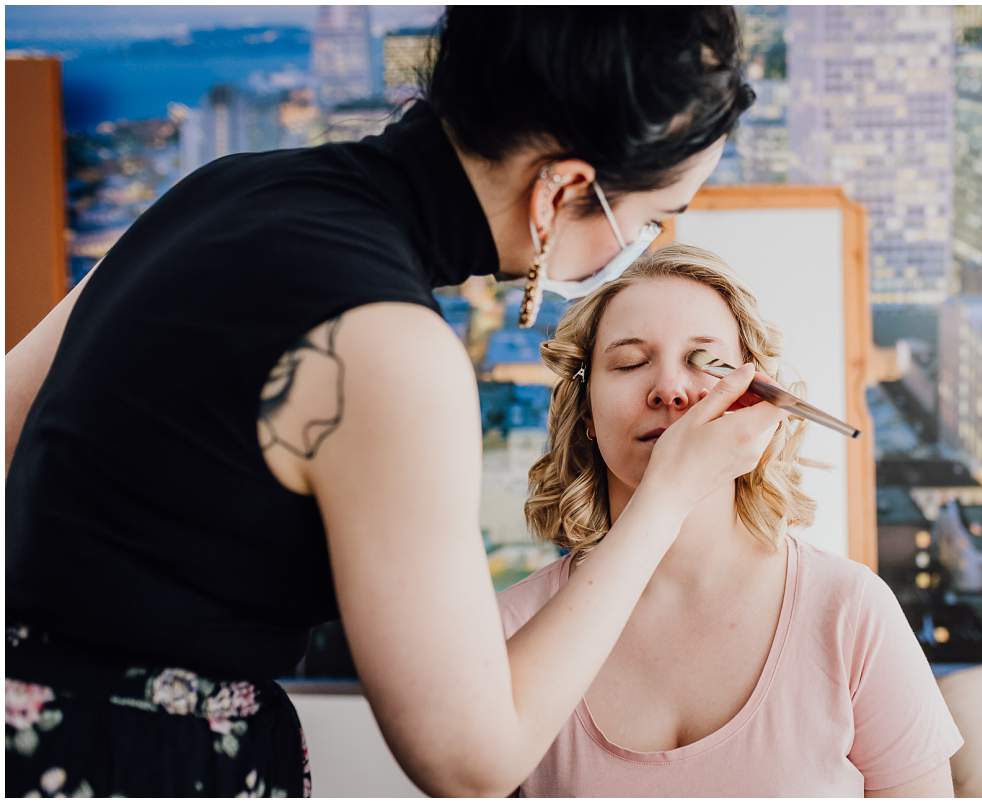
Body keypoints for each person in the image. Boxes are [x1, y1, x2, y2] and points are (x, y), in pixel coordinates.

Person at [3, 8, 783, 797]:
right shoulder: (390, 346)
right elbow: (471, 759)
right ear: (562, 191)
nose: (638, 247)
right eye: (648, 219)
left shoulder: (217, 190)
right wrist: (668, 497)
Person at [499, 244, 964, 796]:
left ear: (752, 400)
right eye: (628, 363)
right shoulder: (513, 630)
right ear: (588, 416)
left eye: (709, 363)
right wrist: (666, 495)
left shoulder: (850, 613)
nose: (669, 390)